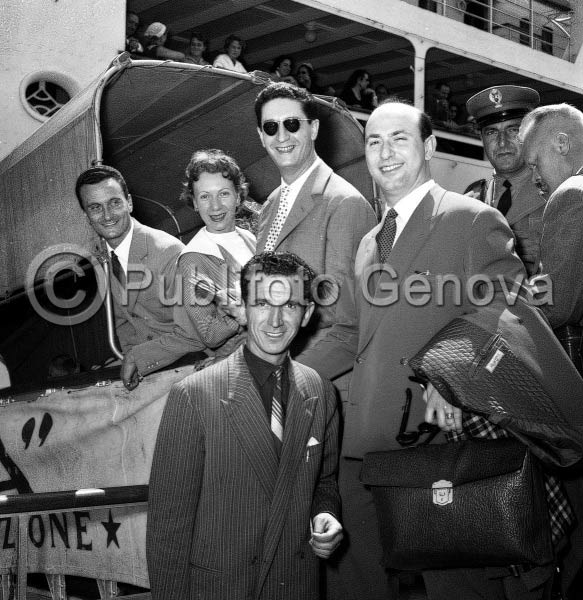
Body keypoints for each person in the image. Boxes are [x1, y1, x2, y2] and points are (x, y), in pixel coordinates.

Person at [299, 101, 529, 600]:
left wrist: (447, 378)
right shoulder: (368, 242)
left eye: (399, 139)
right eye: (374, 142)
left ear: (429, 146)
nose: (385, 153)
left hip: (439, 441)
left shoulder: (471, 218)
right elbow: (352, 334)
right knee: (353, 583)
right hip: (364, 440)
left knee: (458, 587)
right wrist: (283, 373)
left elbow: (507, 315)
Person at [146, 251, 343, 600]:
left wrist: (326, 515)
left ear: (307, 313)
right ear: (244, 308)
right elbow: (168, 528)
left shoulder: (321, 391)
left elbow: (324, 482)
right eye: (263, 303)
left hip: (296, 585)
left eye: (290, 305)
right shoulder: (194, 396)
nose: (275, 321)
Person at [254, 81, 377, 349]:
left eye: (292, 124)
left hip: (313, 359)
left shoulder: (345, 203)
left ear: (314, 129)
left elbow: (341, 311)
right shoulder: (270, 205)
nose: (282, 136)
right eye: (271, 127)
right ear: (261, 137)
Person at [519, 102, 583, 600]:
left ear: (561, 142)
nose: (534, 178)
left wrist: (499, 297)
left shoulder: (571, 195)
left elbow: (555, 302)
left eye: (534, 162)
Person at [75, 165, 205, 389]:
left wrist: (139, 358)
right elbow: (124, 322)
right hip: (153, 376)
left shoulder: (168, 251)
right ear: (87, 217)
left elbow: (197, 332)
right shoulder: (102, 261)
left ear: (129, 203)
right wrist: (133, 360)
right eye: (95, 207)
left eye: (114, 203)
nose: (107, 215)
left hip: (193, 369)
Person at [465, 85, 544, 276]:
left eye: (513, 130)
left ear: (530, 134)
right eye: (491, 132)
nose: (502, 142)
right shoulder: (471, 199)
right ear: (482, 138)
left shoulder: (557, 194)